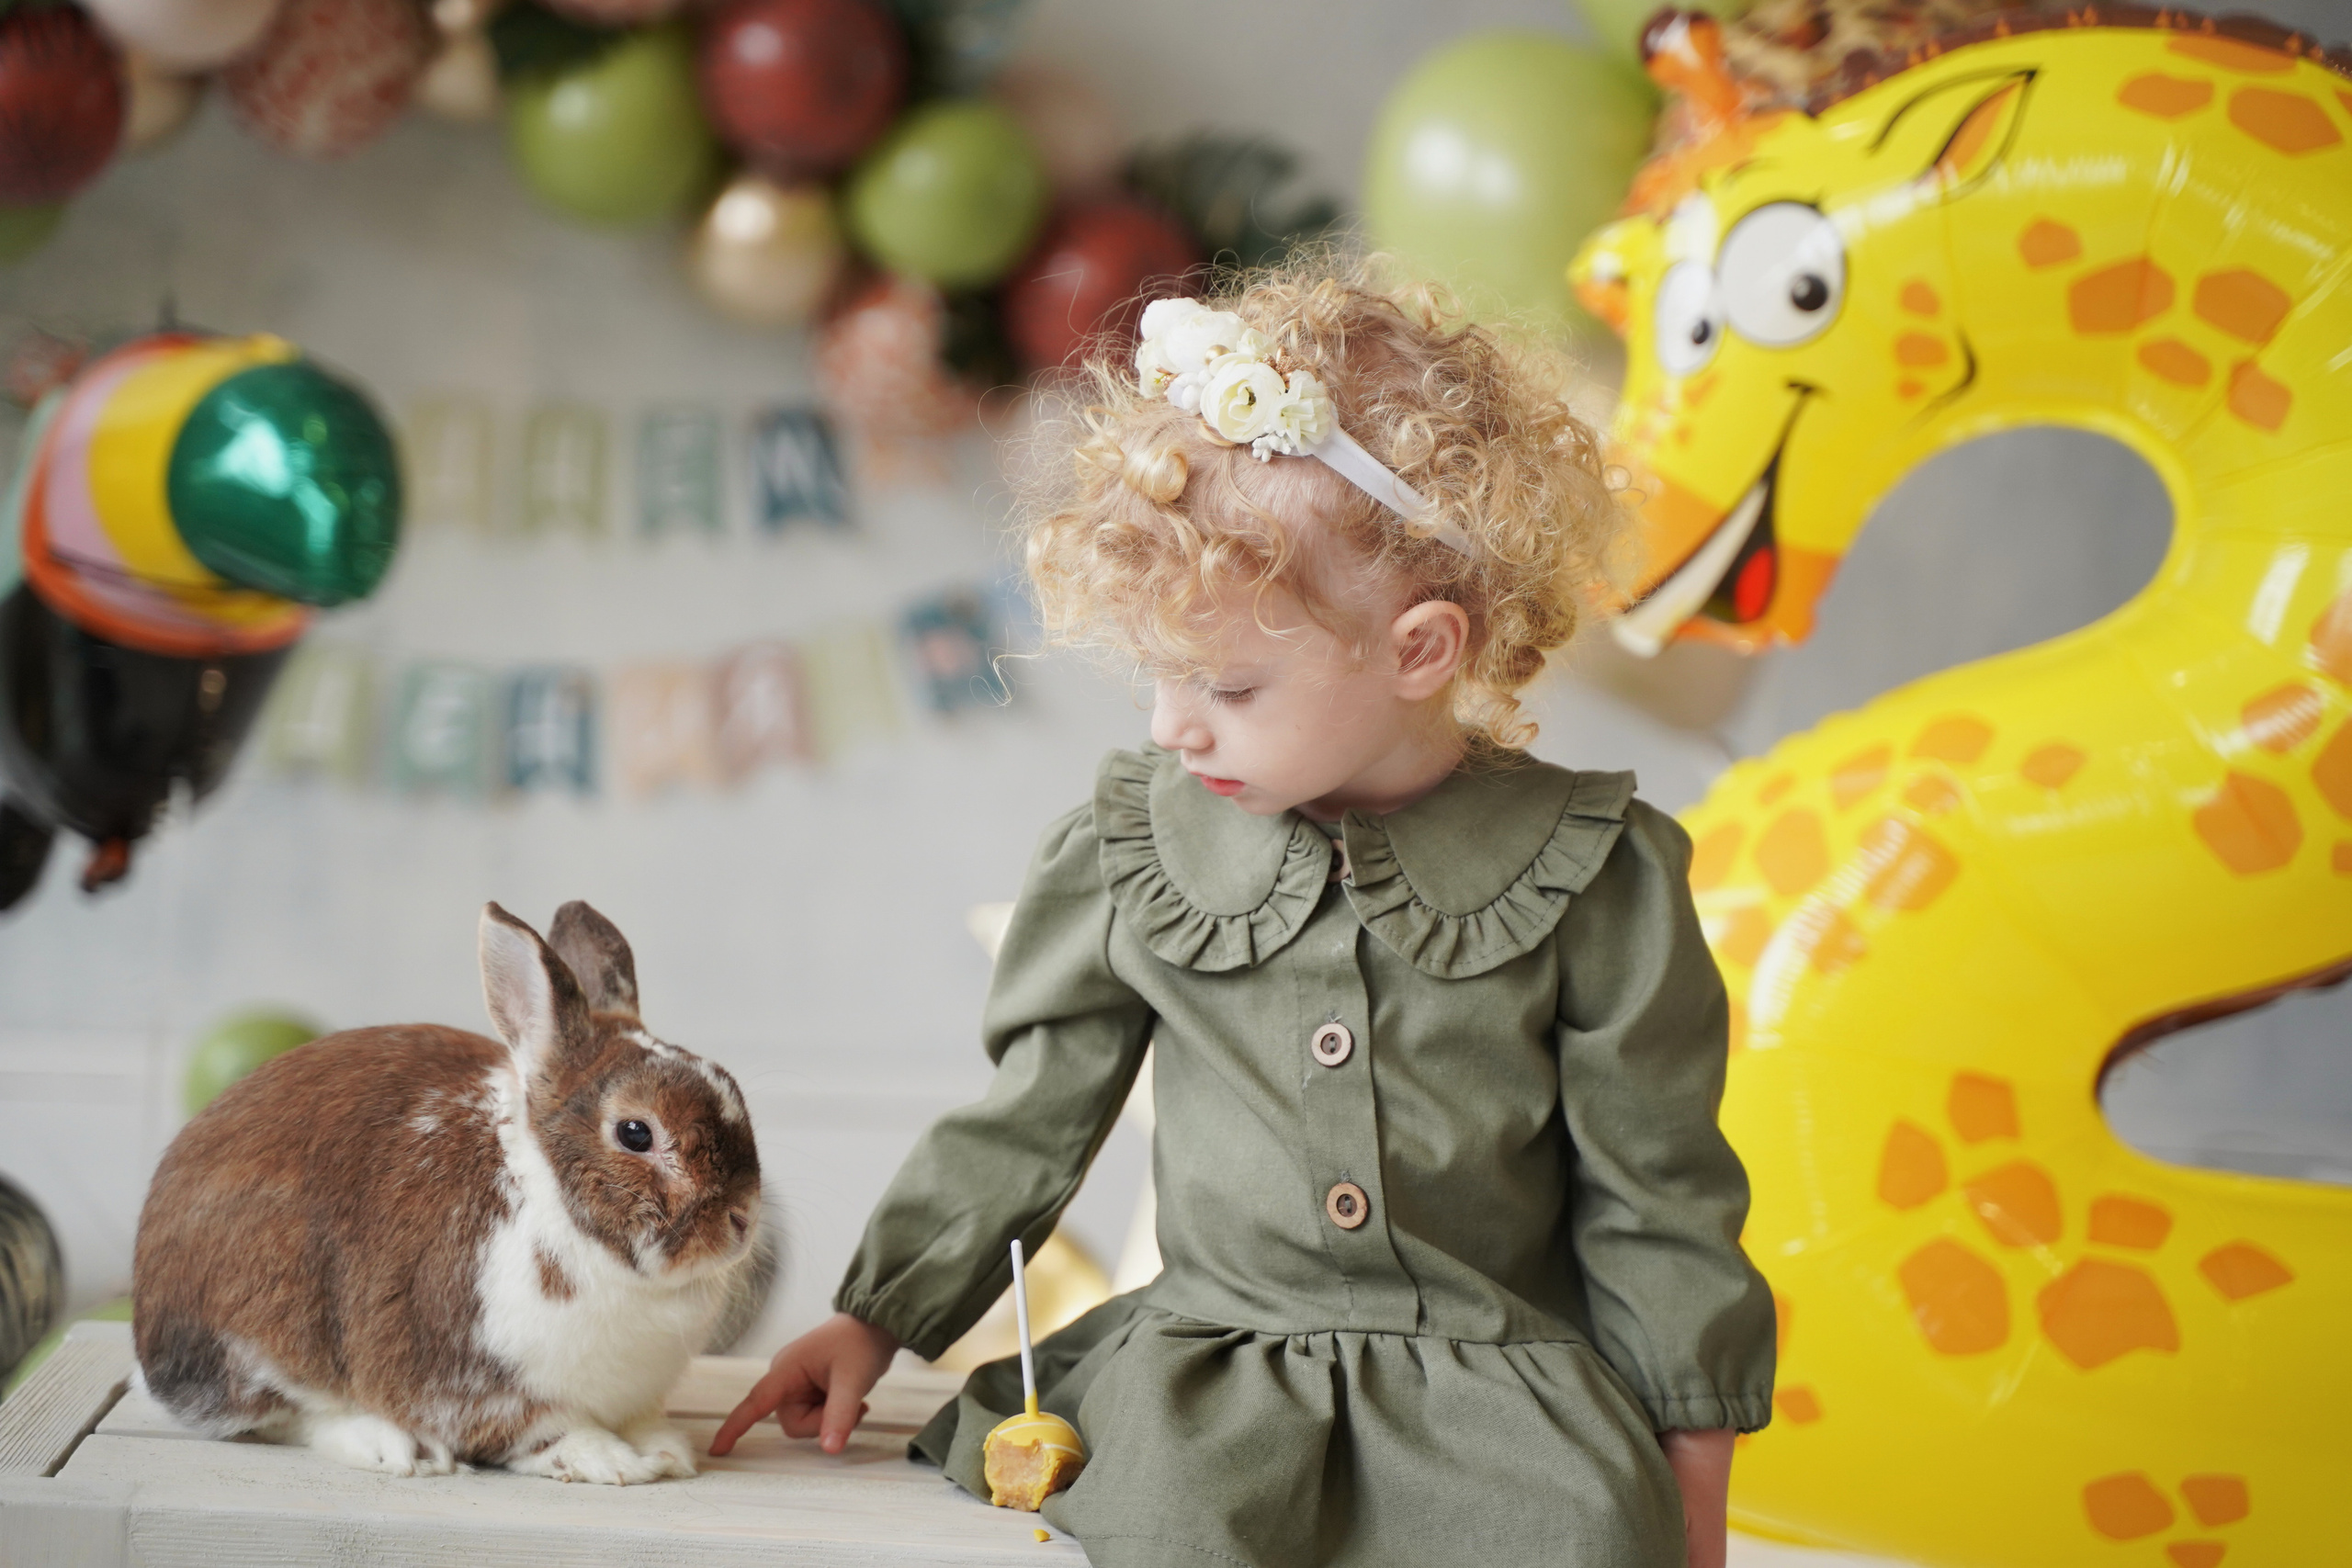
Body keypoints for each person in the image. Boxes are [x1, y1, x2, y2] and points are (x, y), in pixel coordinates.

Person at [712, 257, 1776, 1567]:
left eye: (1226, 686)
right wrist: (876, 1320)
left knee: (1579, 1541)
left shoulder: (1598, 875)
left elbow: (1657, 1191)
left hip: (1500, 1401)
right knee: (1168, 1534)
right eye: (1156, 676)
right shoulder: (1135, 849)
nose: (1173, 725)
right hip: (1214, 1385)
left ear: (1420, 650)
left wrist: (1692, 1468)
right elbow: (1030, 1120)